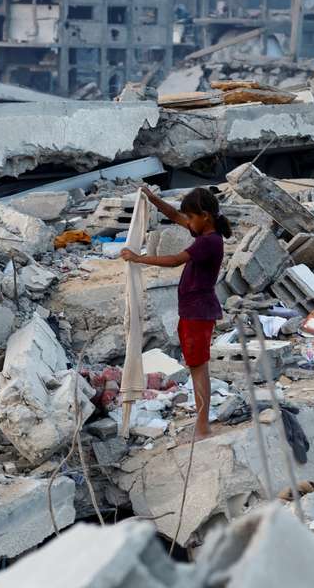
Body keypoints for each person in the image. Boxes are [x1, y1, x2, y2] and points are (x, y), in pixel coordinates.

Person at [120, 186, 232, 440]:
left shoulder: (209, 242)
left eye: (192, 218)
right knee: (196, 366)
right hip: (193, 311)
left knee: (198, 368)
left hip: (198, 313)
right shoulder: (203, 230)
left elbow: (174, 260)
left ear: (205, 215)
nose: (188, 222)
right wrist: (152, 198)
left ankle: (203, 427)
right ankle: (201, 423)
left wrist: (138, 258)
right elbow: (175, 216)